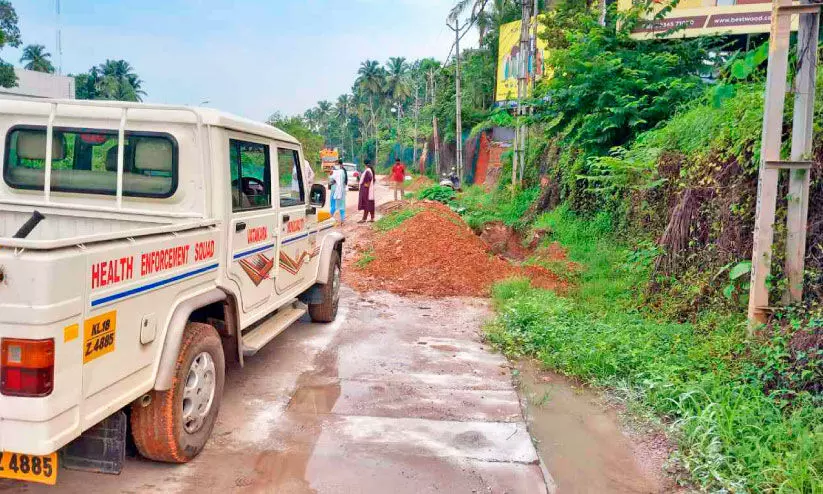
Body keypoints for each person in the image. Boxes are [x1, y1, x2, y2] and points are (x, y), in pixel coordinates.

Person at [329, 159, 348, 224]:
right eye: (335, 164)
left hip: (336, 190)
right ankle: (342, 220)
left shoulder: (336, 171)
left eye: (337, 164)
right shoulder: (342, 171)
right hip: (339, 190)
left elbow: (330, 181)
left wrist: (332, 178)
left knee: (336, 205)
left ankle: (331, 218)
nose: (336, 165)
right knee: (339, 205)